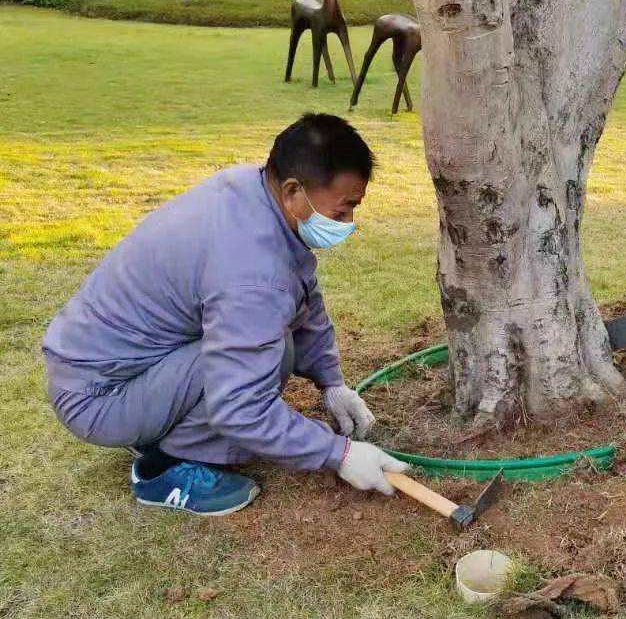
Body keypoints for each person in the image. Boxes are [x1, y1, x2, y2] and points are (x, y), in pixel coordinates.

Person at [43, 113, 408, 515]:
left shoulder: (250, 192)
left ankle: (161, 424)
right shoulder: (251, 271)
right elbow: (240, 407)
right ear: (292, 192)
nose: (349, 224)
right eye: (341, 211)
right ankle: (168, 467)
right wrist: (338, 454)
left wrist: (331, 382)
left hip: (117, 368)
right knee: (268, 355)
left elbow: (302, 295)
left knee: (270, 339)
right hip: (101, 396)